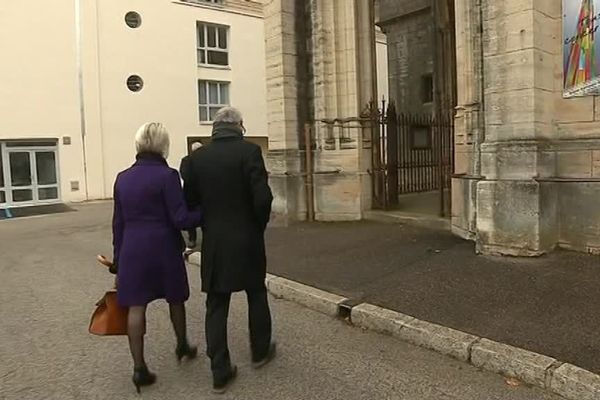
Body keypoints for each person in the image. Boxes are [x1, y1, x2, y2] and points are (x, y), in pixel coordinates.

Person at [185, 107, 275, 394]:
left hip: (215, 241)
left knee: (216, 303)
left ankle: (220, 371)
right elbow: (263, 198)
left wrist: (208, 222)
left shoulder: (194, 159)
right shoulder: (249, 153)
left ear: (214, 128)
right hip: (247, 237)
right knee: (256, 293)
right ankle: (260, 351)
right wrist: (256, 226)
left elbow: (190, 202)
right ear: (239, 125)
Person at [112, 122, 203, 393]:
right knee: (175, 298)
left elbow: (118, 223)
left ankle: (139, 368)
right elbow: (180, 218)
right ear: (163, 145)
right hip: (163, 247)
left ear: (138, 144)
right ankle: (182, 344)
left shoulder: (122, 177)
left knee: (136, 306)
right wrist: (204, 213)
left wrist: (118, 259)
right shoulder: (168, 176)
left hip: (132, 249)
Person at [180, 141, 203, 249]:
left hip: (203, 194)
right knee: (191, 220)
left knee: (206, 216)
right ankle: (192, 238)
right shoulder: (186, 161)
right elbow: (184, 175)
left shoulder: (206, 160)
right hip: (190, 194)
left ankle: (204, 238)